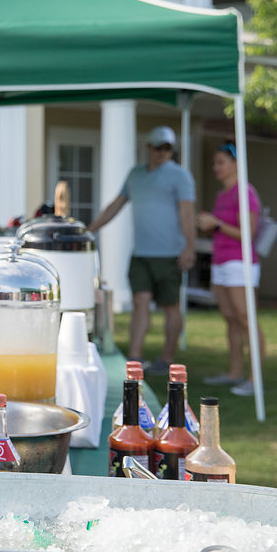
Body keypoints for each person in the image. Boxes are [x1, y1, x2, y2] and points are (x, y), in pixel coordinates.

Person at [87, 125, 196, 374]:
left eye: (167, 148)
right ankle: (134, 360)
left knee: (170, 306)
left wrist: (189, 245)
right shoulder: (135, 175)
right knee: (140, 301)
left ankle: (166, 358)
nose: (162, 152)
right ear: (148, 147)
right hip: (141, 254)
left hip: (170, 254)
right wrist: (92, 228)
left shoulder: (180, 176)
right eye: (158, 147)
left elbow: (187, 211)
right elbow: (116, 204)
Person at [197, 142, 265, 397]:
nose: (216, 168)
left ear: (235, 164)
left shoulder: (246, 192)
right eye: (215, 163)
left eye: (220, 163)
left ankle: (254, 379)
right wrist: (210, 224)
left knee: (246, 319)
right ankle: (234, 372)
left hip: (240, 262)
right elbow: (222, 228)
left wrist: (216, 223)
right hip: (220, 261)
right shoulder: (222, 194)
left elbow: (248, 234)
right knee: (230, 318)